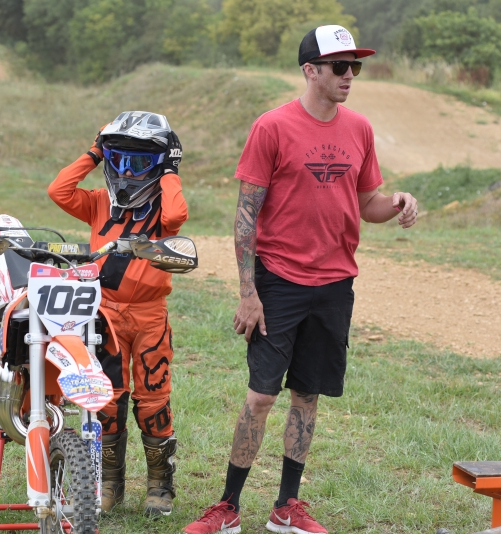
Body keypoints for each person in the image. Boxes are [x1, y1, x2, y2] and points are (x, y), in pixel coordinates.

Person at [183, 24, 418, 534]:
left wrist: (396, 202)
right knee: (261, 396)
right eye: (340, 66)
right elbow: (246, 215)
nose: (349, 75)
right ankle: (227, 506)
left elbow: (367, 203)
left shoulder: (360, 129)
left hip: (334, 284)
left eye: (355, 66)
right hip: (279, 281)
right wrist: (248, 292)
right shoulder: (272, 127)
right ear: (311, 70)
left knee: (307, 396)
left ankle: (286, 507)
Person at [48, 111, 188, 516]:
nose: (127, 172)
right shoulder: (97, 203)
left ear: (156, 166)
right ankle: (110, 484)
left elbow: (177, 216)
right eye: (119, 161)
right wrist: (94, 152)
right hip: (104, 314)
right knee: (106, 399)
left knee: (153, 398)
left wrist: (171, 171)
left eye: (138, 163)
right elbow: (59, 190)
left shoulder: (162, 209)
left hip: (149, 316)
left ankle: (160, 486)